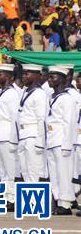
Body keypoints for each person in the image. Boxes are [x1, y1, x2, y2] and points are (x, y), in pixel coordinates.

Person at [44, 65, 76, 215]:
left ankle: (66, 203)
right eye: (49, 76)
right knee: (55, 173)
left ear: (63, 79)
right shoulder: (52, 97)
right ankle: (57, 200)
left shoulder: (67, 98)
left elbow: (69, 123)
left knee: (63, 173)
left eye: (53, 77)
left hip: (62, 141)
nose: (50, 80)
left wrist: (67, 145)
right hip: (52, 140)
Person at [0, 62, 20, 210]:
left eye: (0, 74)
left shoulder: (13, 93)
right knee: (2, 170)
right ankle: (7, 196)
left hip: (7, 134)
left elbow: (15, 118)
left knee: (10, 169)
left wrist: (14, 139)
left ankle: (13, 198)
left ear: (10, 77)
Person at [17, 64, 48, 188]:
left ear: (37, 76)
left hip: (33, 135)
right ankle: (29, 201)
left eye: (27, 74)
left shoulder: (39, 94)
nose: (24, 76)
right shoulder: (25, 92)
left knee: (34, 170)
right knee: (25, 170)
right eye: (23, 73)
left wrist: (40, 141)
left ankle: (35, 203)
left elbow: (42, 119)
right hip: (24, 134)